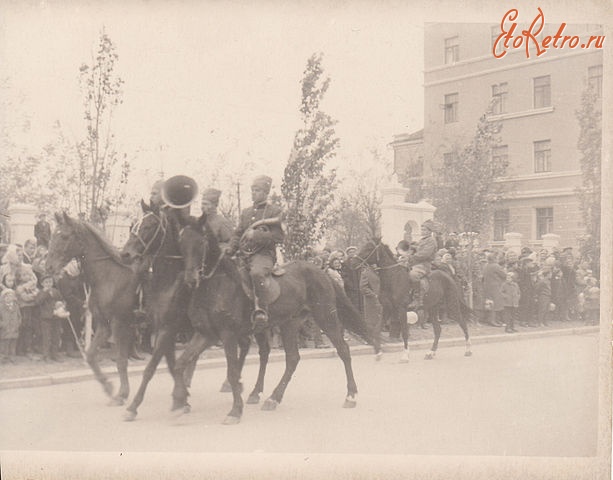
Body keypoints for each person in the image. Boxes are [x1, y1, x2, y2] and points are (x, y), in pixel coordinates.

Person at [227, 175, 284, 331]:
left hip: (264, 255)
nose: (253, 193)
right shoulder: (246, 212)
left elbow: (279, 237)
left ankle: (262, 311)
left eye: (257, 190)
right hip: (244, 255)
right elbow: (238, 234)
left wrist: (257, 235)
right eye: (252, 190)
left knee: (257, 273)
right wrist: (230, 248)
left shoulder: (274, 211)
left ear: (266, 192)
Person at [36, 275, 63, 362]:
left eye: (50, 282)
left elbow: (61, 299)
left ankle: (55, 354)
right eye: (46, 282)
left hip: (56, 316)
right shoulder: (41, 293)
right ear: (42, 284)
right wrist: (46, 293)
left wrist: (60, 305)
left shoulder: (55, 291)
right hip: (46, 318)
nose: (48, 284)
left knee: (56, 336)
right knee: (47, 337)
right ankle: (46, 355)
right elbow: (38, 302)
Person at [360, 263, 383, 352]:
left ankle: (377, 340)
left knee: (379, 320)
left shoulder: (380, 271)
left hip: (380, 300)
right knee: (371, 321)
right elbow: (363, 288)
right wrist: (374, 295)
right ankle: (371, 340)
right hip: (370, 301)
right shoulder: (366, 273)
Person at [482, 252, 506, 327]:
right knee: (496, 303)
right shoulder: (496, 266)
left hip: (487, 286)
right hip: (495, 286)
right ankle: (493, 320)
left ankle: (491, 319)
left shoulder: (486, 266)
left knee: (489, 302)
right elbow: (504, 275)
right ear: (494, 258)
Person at [0, 288, 21, 362]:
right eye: (6, 296)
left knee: (13, 343)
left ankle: (12, 357)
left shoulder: (16, 306)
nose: (9, 298)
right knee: (4, 343)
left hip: (14, 328)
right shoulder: (1, 307)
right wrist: (2, 324)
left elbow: (19, 316)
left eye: (11, 296)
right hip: (5, 329)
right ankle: (3, 357)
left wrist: (18, 324)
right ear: (3, 298)